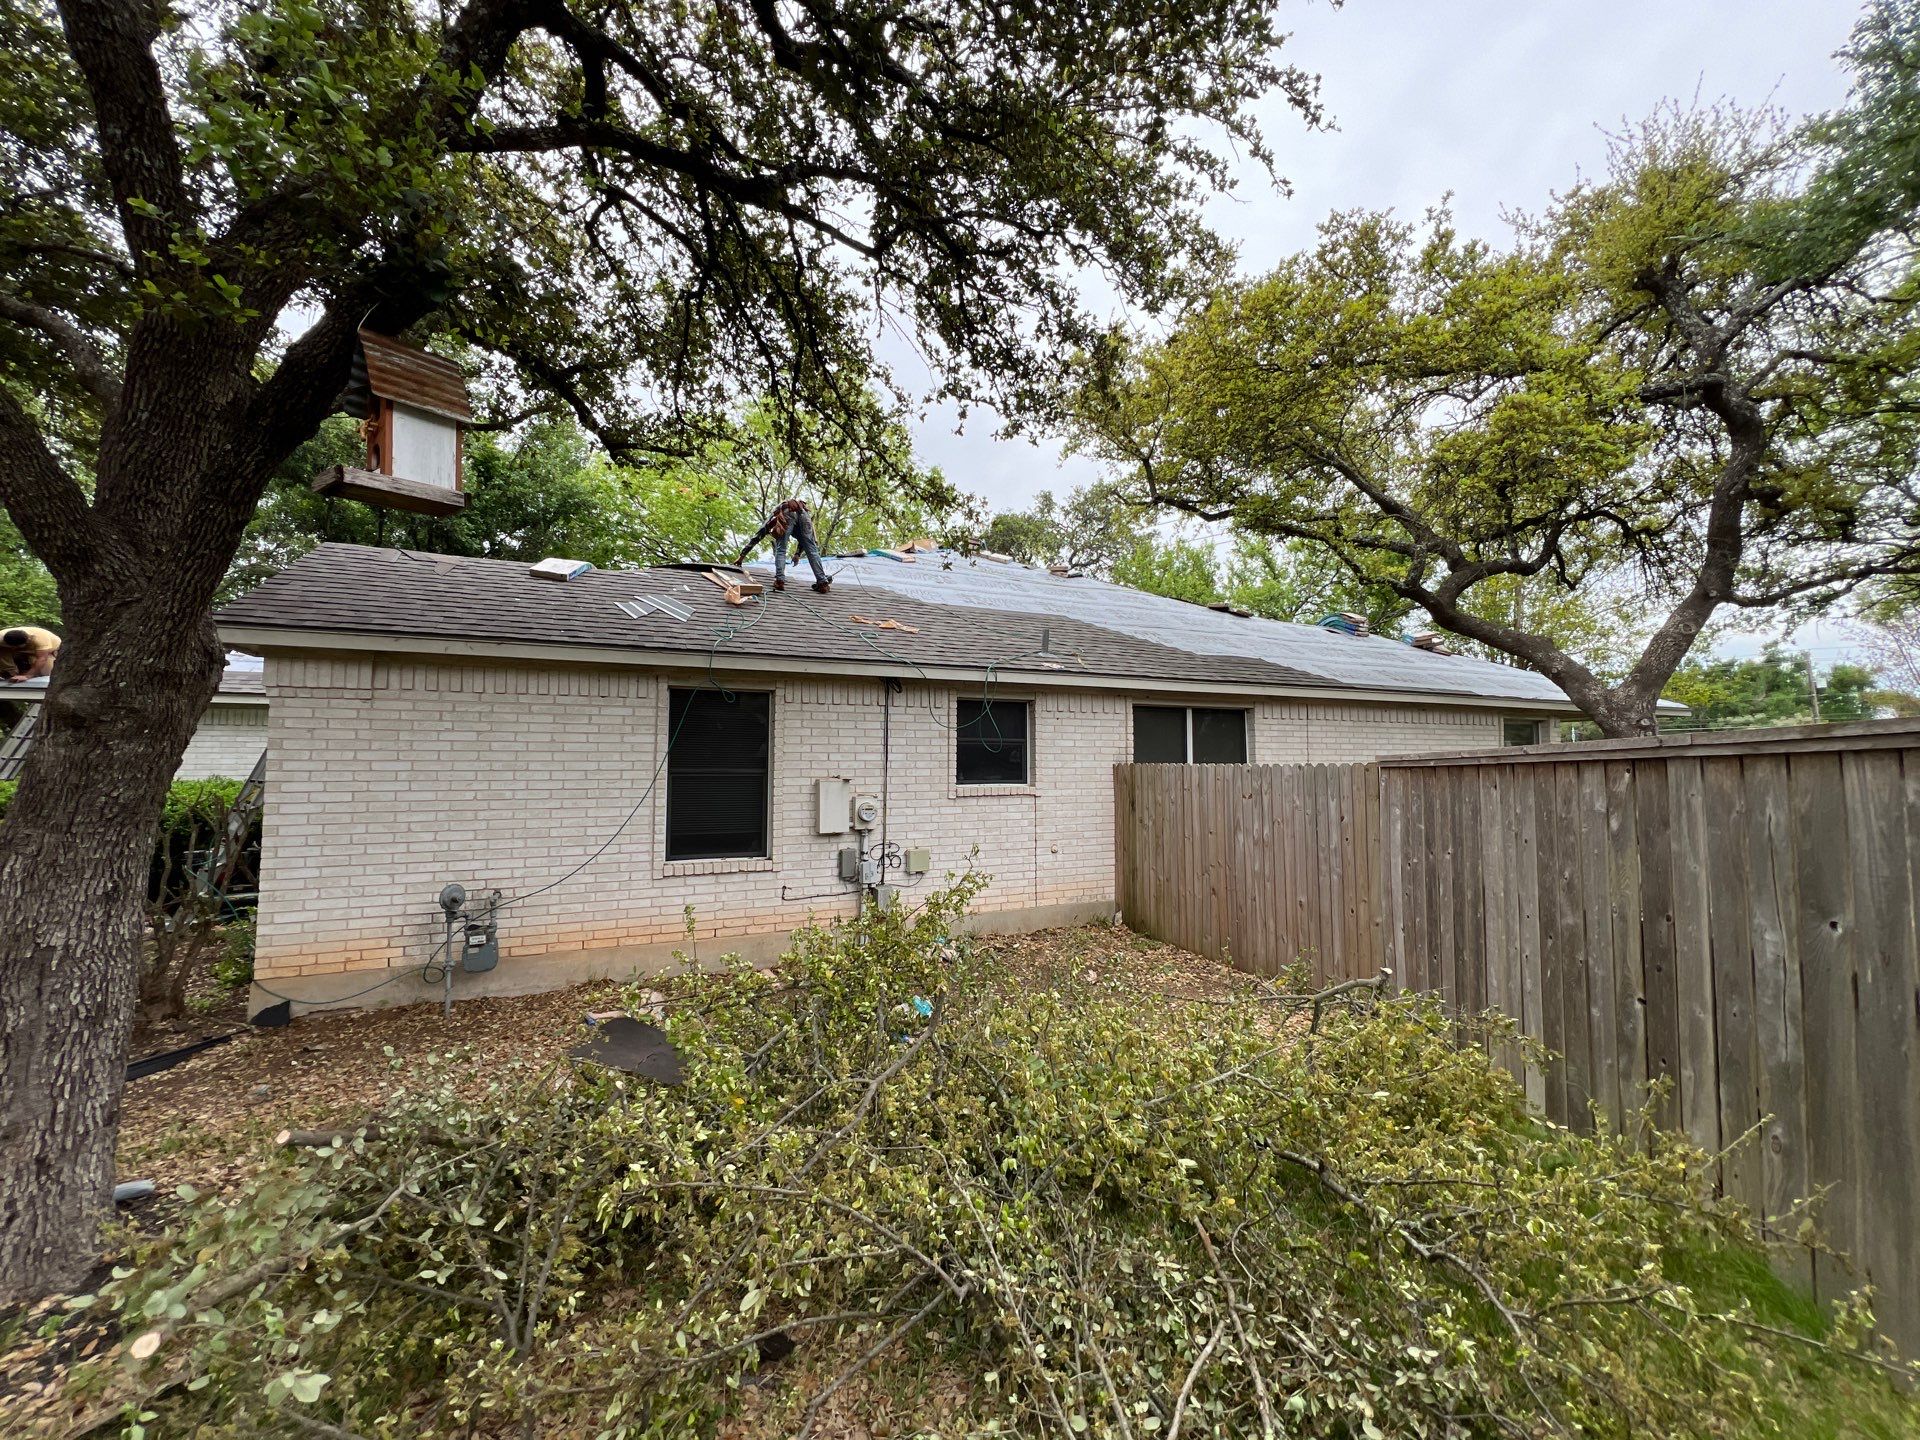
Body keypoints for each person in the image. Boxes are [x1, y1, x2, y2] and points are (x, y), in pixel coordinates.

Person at [738, 498, 831, 592]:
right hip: (804, 514)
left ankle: (780, 581)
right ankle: (822, 582)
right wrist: (798, 553)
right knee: (812, 550)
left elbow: (758, 535)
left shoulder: (774, 515)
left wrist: (742, 557)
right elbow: (807, 540)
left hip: (787, 512)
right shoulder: (799, 513)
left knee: (781, 549)